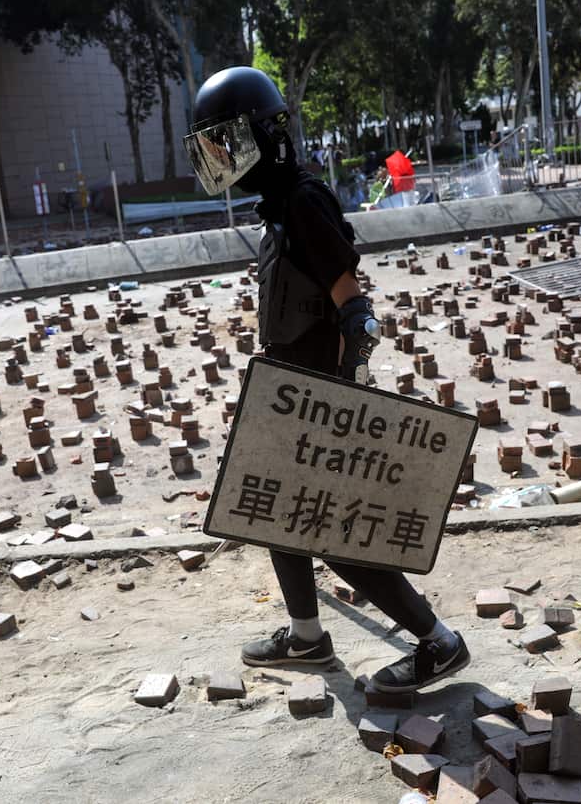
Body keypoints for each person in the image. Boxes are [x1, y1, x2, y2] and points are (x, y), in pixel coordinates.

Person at [182, 66, 470, 693]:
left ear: (259, 136)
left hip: (321, 404)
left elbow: (355, 312)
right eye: (210, 147)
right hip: (291, 400)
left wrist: (343, 401)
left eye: (224, 142)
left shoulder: (304, 203)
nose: (218, 157)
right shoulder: (279, 208)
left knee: (334, 536)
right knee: (270, 514)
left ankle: (439, 644)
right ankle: (308, 638)